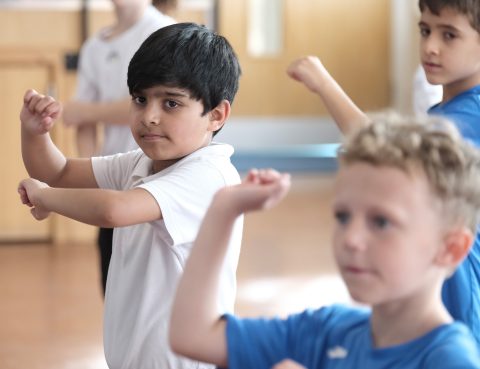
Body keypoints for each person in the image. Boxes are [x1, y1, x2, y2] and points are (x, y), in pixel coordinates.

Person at [169, 115, 480, 368]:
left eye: (381, 222)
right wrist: (225, 207)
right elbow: (193, 335)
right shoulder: (328, 331)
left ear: (449, 249)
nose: (351, 239)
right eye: (343, 217)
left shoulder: (449, 359)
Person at [18, 22, 242, 369]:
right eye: (140, 99)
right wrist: (35, 134)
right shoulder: (142, 162)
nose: (149, 116)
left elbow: (113, 211)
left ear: (216, 115)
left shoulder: (209, 175)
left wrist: (46, 198)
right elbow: (58, 172)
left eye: (170, 103)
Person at [286, 0, 480, 345]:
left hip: (454, 291)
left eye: (449, 35)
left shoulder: (468, 117)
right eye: (425, 30)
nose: (430, 46)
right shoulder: (450, 109)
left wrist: (324, 84)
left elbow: (389, 152)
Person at [62, 0, 176, 295]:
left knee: (152, 292)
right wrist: (89, 176)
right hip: (113, 183)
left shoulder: (163, 32)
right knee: (112, 289)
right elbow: (78, 120)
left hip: (156, 183)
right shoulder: (94, 47)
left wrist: (86, 111)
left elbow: (153, 108)